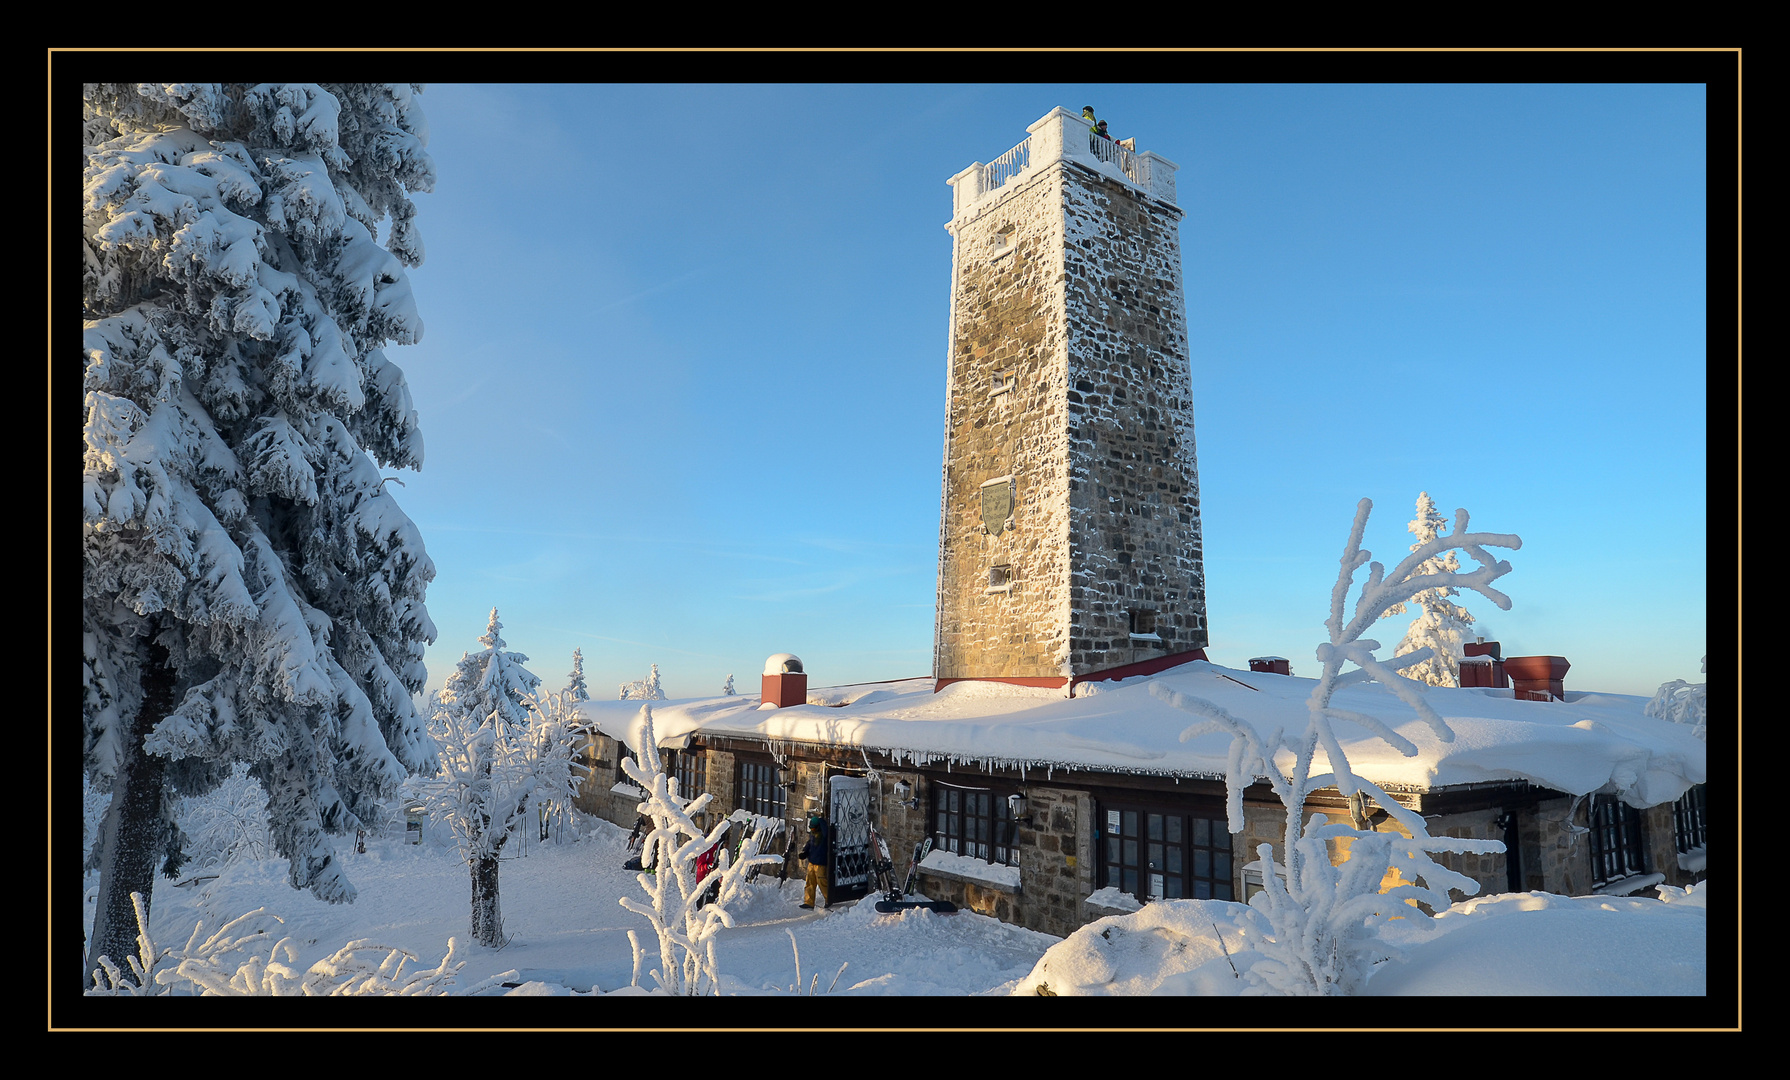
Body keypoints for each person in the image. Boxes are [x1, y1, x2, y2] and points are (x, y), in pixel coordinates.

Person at [800, 814, 829, 909]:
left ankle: (828, 899)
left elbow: (825, 830)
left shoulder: (824, 835)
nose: (812, 830)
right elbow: (809, 844)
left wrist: (821, 821)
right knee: (809, 882)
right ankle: (808, 902)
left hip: (820, 862)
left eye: (813, 828)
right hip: (812, 861)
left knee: (822, 882)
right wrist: (805, 852)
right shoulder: (814, 835)